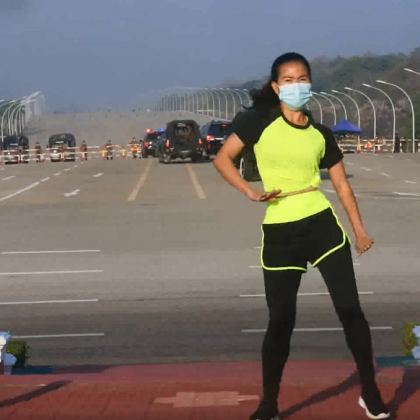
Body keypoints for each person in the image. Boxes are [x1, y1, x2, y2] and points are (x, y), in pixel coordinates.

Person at [213, 52, 390, 420]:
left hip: (323, 227)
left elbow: (342, 186)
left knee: (350, 311)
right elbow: (223, 159)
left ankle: (370, 391)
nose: (297, 86)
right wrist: (249, 192)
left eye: (303, 79)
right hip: (281, 232)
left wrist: (359, 231)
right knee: (281, 321)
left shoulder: (320, 134)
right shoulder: (258, 121)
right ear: (277, 87)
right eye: (289, 80)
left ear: (310, 83)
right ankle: (269, 404)